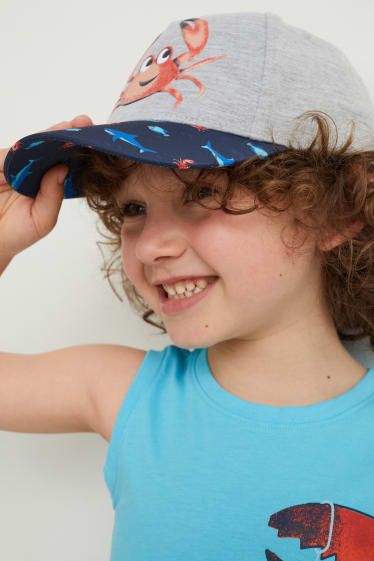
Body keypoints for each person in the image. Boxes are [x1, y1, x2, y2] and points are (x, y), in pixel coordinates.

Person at [1, 11, 374, 561]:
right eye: (133, 208)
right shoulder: (124, 394)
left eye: (202, 193)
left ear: (333, 211)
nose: (151, 245)